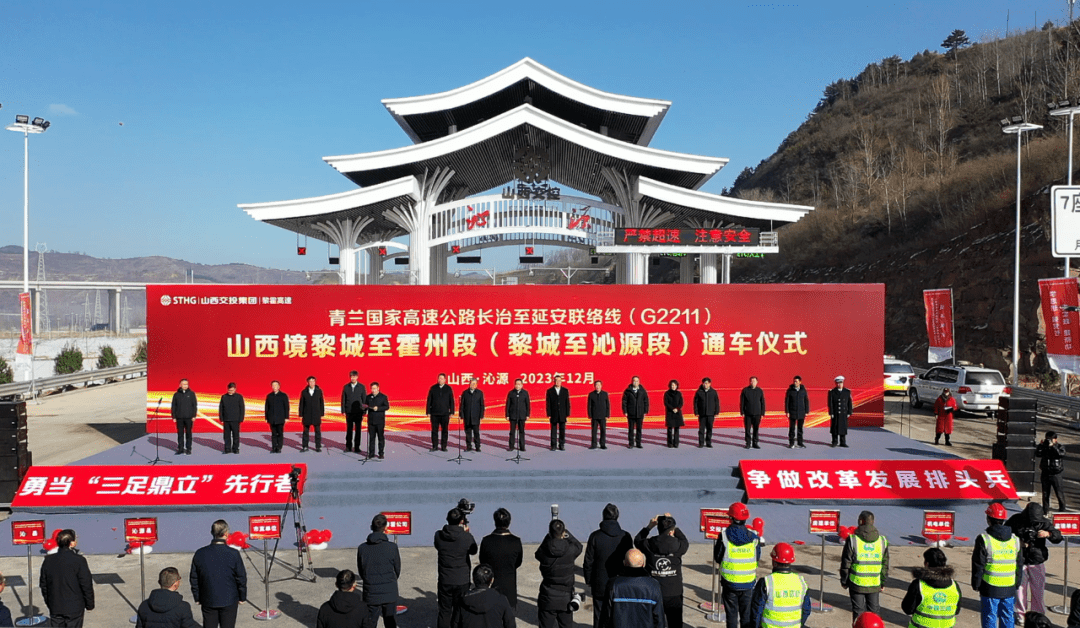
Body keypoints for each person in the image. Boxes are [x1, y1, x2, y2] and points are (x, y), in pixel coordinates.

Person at [972, 503, 1023, 628]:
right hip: (1009, 585)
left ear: (988, 519)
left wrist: (976, 583)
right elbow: (1019, 564)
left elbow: (978, 564)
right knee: (1007, 616)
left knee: (990, 617)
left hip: (990, 586)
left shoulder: (984, 539)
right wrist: (1017, 582)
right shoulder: (1015, 540)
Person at [1006, 503, 1062, 617]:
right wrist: (1017, 542)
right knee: (1020, 590)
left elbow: (1058, 537)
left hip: (1037, 560)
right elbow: (1005, 533)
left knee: (1038, 590)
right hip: (1020, 560)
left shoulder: (1044, 522)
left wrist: (1049, 534)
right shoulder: (1016, 519)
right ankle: (1021, 614)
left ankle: (1038, 614)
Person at [584, 503, 634, 628]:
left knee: (599, 616)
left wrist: (589, 579)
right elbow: (631, 560)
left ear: (603, 517)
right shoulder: (625, 536)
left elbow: (588, 561)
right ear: (617, 517)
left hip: (600, 584)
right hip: (620, 584)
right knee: (620, 615)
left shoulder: (595, 536)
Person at [190, 520, 247, 628]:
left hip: (208, 598)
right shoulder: (233, 554)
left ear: (212, 533)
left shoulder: (200, 553)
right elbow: (241, 577)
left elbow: (194, 578)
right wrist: (242, 596)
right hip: (229, 599)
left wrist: (197, 597)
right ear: (226, 534)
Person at [635, 514, 689, 628]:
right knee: (675, 623)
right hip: (674, 592)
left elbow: (637, 540)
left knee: (654, 622)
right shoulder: (678, 545)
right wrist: (673, 526)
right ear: (671, 531)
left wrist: (649, 526)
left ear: (658, 528)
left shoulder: (649, 544)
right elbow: (685, 541)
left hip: (654, 592)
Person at [715, 502, 760, 628]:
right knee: (746, 618)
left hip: (729, 583)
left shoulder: (724, 536)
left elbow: (718, 557)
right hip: (748, 584)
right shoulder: (753, 537)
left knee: (731, 617)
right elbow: (757, 558)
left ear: (731, 518)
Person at [839, 510, 889, 622]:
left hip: (856, 583)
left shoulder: (853, 540)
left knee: (858, 612)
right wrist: (882, 582)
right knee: (874, 611)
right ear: (873, 522)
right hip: (874, 583)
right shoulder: (882, 541)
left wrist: (844, 581)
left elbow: (846, 563)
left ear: (860, 521)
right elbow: (885, 564)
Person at [39, 529, 94, 627]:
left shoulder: (48, 560)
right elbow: (86, 584)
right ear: (72, 543)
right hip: (74, 607)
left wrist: (49, 602)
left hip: (55, 606)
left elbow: (44, 585)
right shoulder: (79, 560)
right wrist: (89, 604)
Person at [749, 543, 811, 628]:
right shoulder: (801, 582)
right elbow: (806, 610)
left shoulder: (766, 582)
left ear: (774, 562)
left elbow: (756, 611)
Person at [434, 508, 478, 628]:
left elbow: (438, 546)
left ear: (447, 519)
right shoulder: (466, 537)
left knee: (444, 611)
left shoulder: (438, 535)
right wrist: (467, 533)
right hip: (462, 579)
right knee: (460, 610)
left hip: (445, 579)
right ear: (461, 521)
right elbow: (474, 550)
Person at [535, 519, 583, 628]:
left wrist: (548, 537)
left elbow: (537, 554)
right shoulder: (570, 550)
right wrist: (568, 534)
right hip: (565, 598)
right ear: (563, 533)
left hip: (547, 596)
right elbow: (579, 546)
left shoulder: (544, 552)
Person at [357, 514, 401, 628]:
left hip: (370, 592)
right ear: (385, 528)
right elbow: (397, 570)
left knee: (370, 623)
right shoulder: (392, 547)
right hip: (389, 591)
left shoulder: (362, 548)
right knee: (390, 623)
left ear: (371, 527)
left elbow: (361, 571)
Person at [901, 548, 960, 628]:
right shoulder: (954, 586)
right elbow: (956, 610)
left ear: (927, 564)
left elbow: (908, 609)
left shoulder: (919, 584)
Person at [605, 549, 665, 628]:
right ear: (643, 564)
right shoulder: (653, 585)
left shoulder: (613, 584)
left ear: (624, 563)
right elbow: (658, 617)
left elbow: (606, 616)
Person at [479, 508, 523, 609]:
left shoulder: (486, 541)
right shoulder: (516, 541)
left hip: (491, 583)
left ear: (495, 522)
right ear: (509, 522)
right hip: (509, 584)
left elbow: (483, 562)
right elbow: (518, 562)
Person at [1036, 431, 1068, 512]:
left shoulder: (1060, 446)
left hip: (1056, 473)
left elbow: (1061, 454)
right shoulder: (1044, 447)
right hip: (1045, 472)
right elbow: (1037, 454)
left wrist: (1053, 446)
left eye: (1050, 439)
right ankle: (1045, 510)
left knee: (1059, 493)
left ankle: (1062, 509)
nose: (1048, 440)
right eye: (1047, 438)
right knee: (1045, 493)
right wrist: (1041, 445)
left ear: (1055, 439)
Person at [427, 373, 456, 452]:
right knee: (434, 431)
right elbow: (429, 400)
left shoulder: (448, 388)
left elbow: (451, 401)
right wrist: (428, 411)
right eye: (439, 378)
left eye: (442, 379)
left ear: (445, 380)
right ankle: (435, 446)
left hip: (445, 414)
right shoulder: (433, 388)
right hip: (434, 414)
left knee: (445, 431)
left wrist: (452, 411)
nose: (440, 380)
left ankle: (444, 446)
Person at [340, 370, 368, 453]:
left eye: (354, 376)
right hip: (349, 411)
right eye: (351, 376)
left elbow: (364, 399)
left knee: (358, 430)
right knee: (349, 429)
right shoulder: (346, 387)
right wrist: (343, 410)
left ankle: (357, 447)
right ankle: (348, 446)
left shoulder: (361, 387)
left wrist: (364, 410)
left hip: (358, 411)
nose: (353, 378)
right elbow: (343, 399)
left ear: (357, 377)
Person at [171, 378, 197, 455]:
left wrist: (194, 415)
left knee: (188, 433)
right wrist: (174, 417)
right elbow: (173, 406)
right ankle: (180, 448)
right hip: (179, 418)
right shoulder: (176, 395)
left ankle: (188, 448)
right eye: (184, 384)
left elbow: (194, 405)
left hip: (189, 418)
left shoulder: (191, 394)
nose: (185, 386)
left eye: (186, 384)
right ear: (180, 385)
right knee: (180, 434)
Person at [298, 375, 325, 452]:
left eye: (313, 381)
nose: (311, 383)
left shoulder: (319, 391)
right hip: (307, 415)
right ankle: (305, 446)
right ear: (308, 383)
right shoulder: (304, 392)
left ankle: (318, 446)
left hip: (316, 414)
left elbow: (321, 403)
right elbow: (301, 403)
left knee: (317, 432)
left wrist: (322, 413)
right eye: (310, 381)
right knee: (306, 432)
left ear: (315, 382)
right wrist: (301, 414)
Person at [622, 376, 650, 449]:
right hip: (631, 413)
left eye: (637, 381)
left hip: (640, 413)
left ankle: (638, 443)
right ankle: (631, 443)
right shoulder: (627, 391)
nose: (635, 382)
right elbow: (624, 401)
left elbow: (646, 401)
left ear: (639, 382)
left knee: (639, 429)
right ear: (632, 382)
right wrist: (625, 411)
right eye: (634, 381)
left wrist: (645, 410)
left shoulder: (642, 391)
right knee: (631, 429)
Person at [364, 382, 390, 460]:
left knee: (380, 437)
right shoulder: (368, 397)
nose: (373, 390)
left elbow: (387, 407)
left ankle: (381, 453)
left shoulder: (383, 397)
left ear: (378, 388)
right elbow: (365, 405)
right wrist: (364, 408)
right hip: (371, 421)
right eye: (372, 388)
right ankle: (371, 453)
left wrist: (378, 408)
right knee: (371, 438)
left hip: (380, 421)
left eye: (375, 388)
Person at [218, 382, 244, 455]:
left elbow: (242, 408)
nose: (231, 391)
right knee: (227, 435)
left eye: (232, 390)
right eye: (230, 390)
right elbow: (221, 408)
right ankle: (227, 448)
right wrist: (221, 418)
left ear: (235, 389)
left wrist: (241, 418)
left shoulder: (239, 397)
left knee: (236, 435)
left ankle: (235, 448)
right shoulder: (224, 397)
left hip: (236, 419)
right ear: (228, 389)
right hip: (226, 419)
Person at [546, 375, 571, 451]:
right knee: (553, 430)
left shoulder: (565, 390)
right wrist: (549, 413)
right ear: (554, 381)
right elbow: (548, 403)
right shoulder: (550, 391)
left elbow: (567, 402)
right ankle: (553, 445)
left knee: (562, 430)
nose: (558, 382)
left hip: (562, 414)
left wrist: (567, 413)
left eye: (559, 381)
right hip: (554, 414)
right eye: (557, 380)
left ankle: (561, 444)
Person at [460, 378, 486, 452]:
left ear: (476, 385)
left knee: (476, 433)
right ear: (469, 384)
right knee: (468, 433)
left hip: (475, 416)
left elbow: (481, 405)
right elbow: (462, 404)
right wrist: (461, 414)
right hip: (467, 416)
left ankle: (477, 446)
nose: (473, 385)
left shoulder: (479, 393)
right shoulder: (465, 393)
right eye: (471, 383)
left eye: (474, 383)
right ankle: (469, 446)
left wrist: (481, 415)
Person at [739, 377, 765, 450]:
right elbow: (742, 402)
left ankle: (755, 443)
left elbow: (762, 402)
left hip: (757, 413)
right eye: (751, 381)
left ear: (757, 382)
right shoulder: (745, 390)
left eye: (754, 381)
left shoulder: (760, 391)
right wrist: (742, 412)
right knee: (747, 429)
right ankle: (748, 443)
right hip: (748, 414)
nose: (752, 382)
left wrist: (762, 413)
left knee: (756, 429)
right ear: (750, 382)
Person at [783, 376, 809, 449]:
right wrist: (787, 411)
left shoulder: (803, 390)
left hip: (801, 412)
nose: (795, 383)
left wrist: (807, 411)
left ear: (800, 382)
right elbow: (787, 401)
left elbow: (806, 401)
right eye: (794, 381)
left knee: (800, 429)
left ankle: (800, 443)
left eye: (796, 381)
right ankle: (791, 443)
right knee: (792, 429)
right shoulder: (790, 390)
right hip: (792, 412)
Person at [694, 377, 720, 448]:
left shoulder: (713, 392)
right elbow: (695, 402)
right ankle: (701, 443)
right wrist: (696, 411)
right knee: (701, 429)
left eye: (707, 383)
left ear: (710, 384)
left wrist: (717, 411)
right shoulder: (699, 392)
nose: (706, 385)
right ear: (702, 384)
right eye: (704, 383)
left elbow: (716, 402)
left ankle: (708, 442)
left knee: (709, 429)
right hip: (702, 414)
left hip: (710, 414)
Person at [264, 380, 289, 454]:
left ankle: (279, 447)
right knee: (273, 433)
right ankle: (274, 447)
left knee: (280, 433)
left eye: (276, 385)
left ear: (279, 386)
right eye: (273, 385)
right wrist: (266, 417)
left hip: (280, 418)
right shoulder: (269, 396)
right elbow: (267, 407)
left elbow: (286, 407)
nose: (274, 387)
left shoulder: (283, 395)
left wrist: (286, 417)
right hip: (272, 418)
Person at [505, 379, 530, 452]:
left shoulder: (525, 393)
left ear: (522, 385)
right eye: (516, 384)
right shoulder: (511, 393)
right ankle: (511, 446)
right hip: (513, 415)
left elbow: (527, 404)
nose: (517, 385)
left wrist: (527, 414)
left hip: (522, 415)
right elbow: (508, 404)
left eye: (519, 384)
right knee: (512, 432)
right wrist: (507, 414)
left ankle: (522, 446)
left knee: (521, 431)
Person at [828, 375, 853, 448]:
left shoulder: (847, 391)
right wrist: (831, 412)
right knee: (835, 428)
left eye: (841, 383)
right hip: (835, 413)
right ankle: (834, 442)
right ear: (836, 383)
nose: (839, 384)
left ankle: (843, 442)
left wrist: (849, 412)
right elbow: (830, 403)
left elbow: (849, 403)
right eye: (838, 383)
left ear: (843, 383)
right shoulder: (832, 392)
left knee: (843, 427)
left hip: (843, 413)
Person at [587, 381, 611, 450]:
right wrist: (590, 414)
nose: (597, 386)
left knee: (603, 430)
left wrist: (607, 415)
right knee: (594, 431)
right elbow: (589, 405)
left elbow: (607, 405)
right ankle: (594, 444)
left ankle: (602, 444)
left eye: (599, 385)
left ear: (601, 386)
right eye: (596, 385)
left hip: (603, 416)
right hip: (594, 416)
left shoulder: (604, 394)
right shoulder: (591, 394)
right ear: (594, 386)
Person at [663, 380, 684, 448]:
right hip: (670, 412)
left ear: (677, 386)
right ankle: (669, 443)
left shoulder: (679, 393)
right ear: (670, 386)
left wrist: (677, 409)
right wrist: (672, 409)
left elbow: (681, 403)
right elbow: (666, 403)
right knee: (669, 429)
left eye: (674, 385)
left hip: (677, 412)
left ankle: (676, 443)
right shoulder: (667, 393)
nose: (673, 386)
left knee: (676, 429)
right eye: (672, 385)